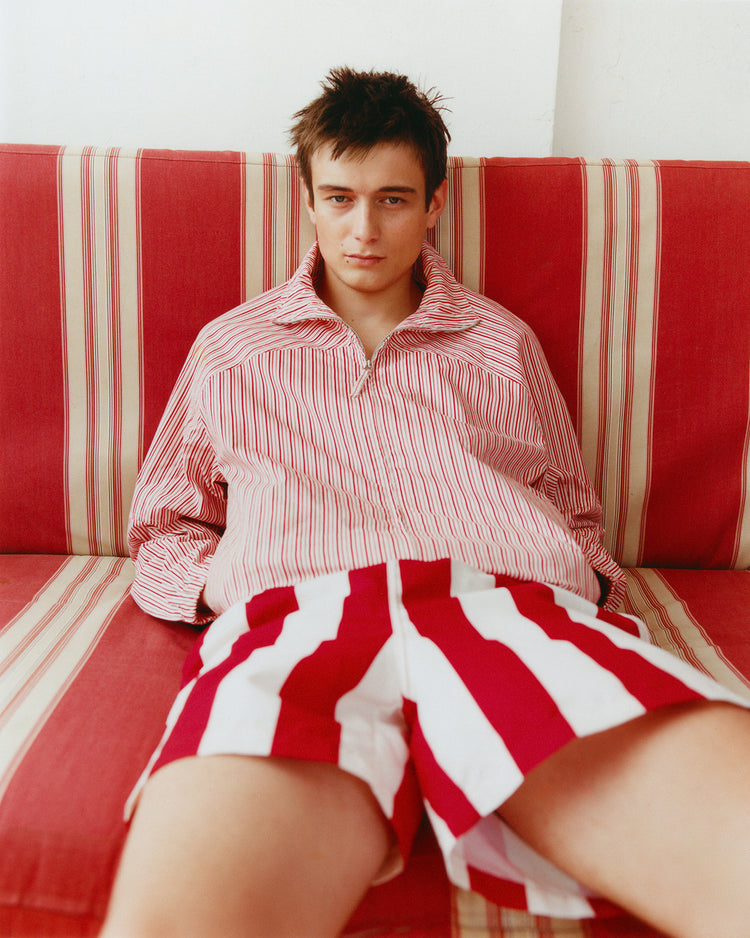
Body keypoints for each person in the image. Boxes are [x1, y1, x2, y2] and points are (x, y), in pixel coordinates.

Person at [102, 68, 750, 938]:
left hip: (506, 607)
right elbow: (162, 526)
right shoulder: (231, 348)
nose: (363, 230)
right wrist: (224, 588)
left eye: (393, 200)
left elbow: (575, 512)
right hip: (298, 621)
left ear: (434, 203)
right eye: (339, 198)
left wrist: (584, 589)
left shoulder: (501, 342)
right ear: (308, 200)